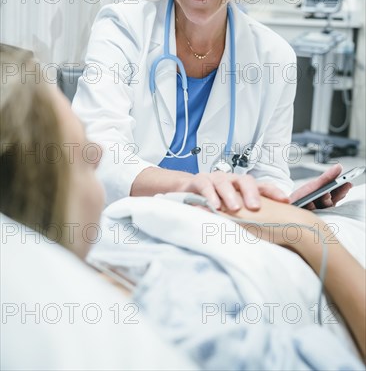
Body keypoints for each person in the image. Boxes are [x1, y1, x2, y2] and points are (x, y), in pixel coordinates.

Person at [1, 47, 364, 370]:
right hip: (320, 250)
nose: (99, 154)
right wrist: (308, 232)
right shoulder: (184, 320)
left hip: (237, 214)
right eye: (82, 153)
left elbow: (271, 170)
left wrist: (277, 200)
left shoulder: (92, 243)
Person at [72, 0, 350, 211]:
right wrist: (194, 185)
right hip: (122, 228)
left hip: (221, 231)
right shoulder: (122, 27)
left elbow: (269, 172)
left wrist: (286, 199)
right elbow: (98, 154)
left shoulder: (274, 56)